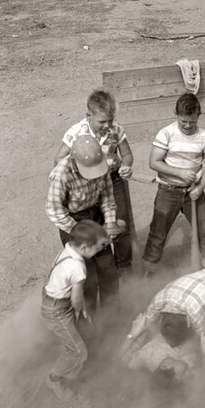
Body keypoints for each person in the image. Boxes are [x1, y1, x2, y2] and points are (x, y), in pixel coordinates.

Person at [53, 89, 135, 275]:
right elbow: (58, 159)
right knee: (95, 223)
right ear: (88, 115)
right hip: (88, 185)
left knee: (119, 224)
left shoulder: (117, 130)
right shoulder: (76, 133)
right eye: (102, 121)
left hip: (112, 180)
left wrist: (127, 166)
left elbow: (127, 155)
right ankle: (91, 263)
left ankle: (124, 264)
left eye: (110, 120)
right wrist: (78, 173)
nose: (107, 125)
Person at [142, 93, 205, 276]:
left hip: (194, 191)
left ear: (198, 116)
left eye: (191, 122)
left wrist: (200, 188)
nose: (187, 125)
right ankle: (149, 270)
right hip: (168, 191)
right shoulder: (167, 133)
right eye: (183, 121)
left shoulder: (204, 137)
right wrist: (180, 173)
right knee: (158, 232)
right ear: (176, 114)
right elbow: (154, 162)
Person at [46, 135, 123, 315]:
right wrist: (81, 232)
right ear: (74, 160)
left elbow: (107, 197)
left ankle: (111, 314)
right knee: (86, 275)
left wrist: (110, 223)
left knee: (108, 269)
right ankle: (89, 317)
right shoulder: (61, 174)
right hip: (73, 222)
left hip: (95, 215)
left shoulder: (101, 164)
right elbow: (55, 210)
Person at [40, 219, 111, 403]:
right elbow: (76, 298)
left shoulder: (68, 249)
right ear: (86, 248)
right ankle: (54, 380)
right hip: (58, 309)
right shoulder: (78, 266)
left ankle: (71, 365)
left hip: (52, 300)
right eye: (98, 247)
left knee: (75, 340)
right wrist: (80, 310)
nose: (100, 250)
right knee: (78, 351)